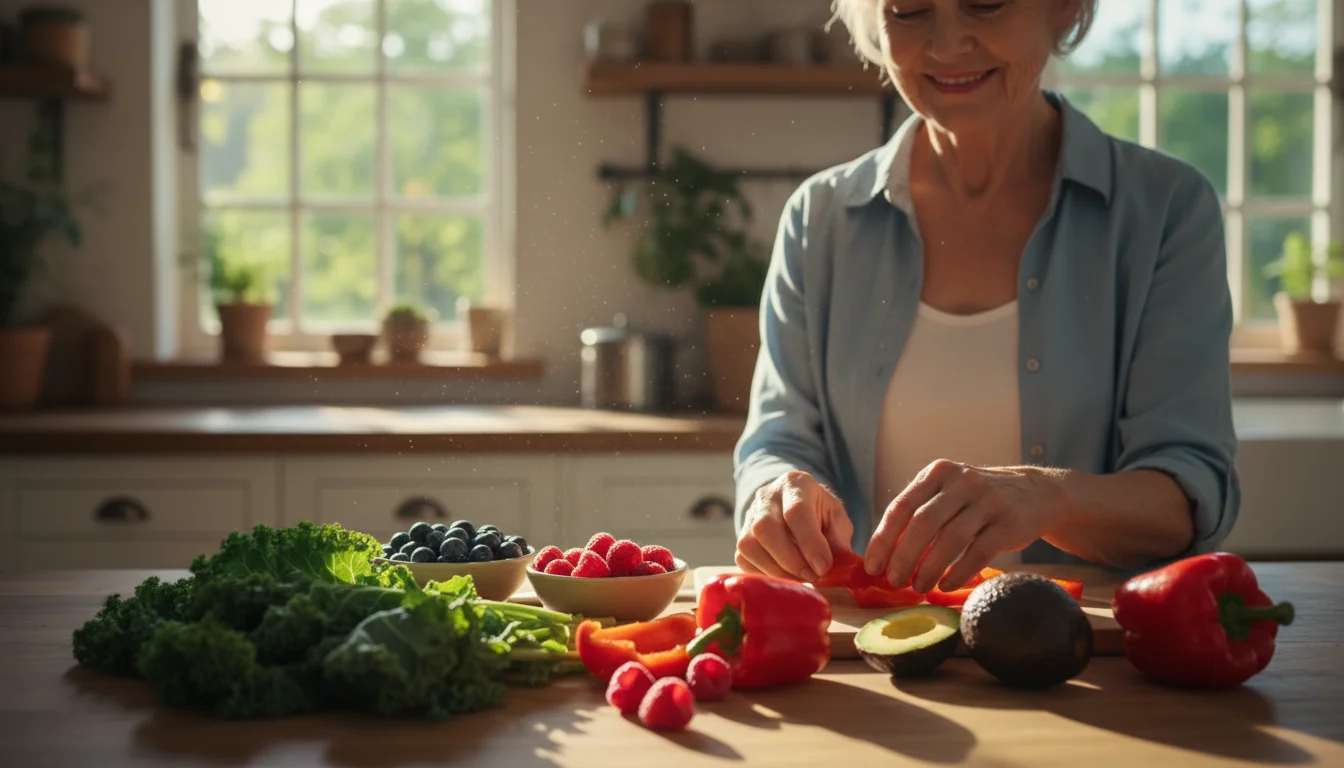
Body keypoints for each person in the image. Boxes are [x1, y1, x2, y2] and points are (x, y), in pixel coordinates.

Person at [732, 0, 1240, 596]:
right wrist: (776, 491)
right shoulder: (820, 218)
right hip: (878, 650)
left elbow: (1188, 494)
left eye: (986, 4)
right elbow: (778, 440)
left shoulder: (1166, 209)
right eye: (910, 11)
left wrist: (1047, 497)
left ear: (1064, 9)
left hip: (1090, 663)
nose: (947, 46)